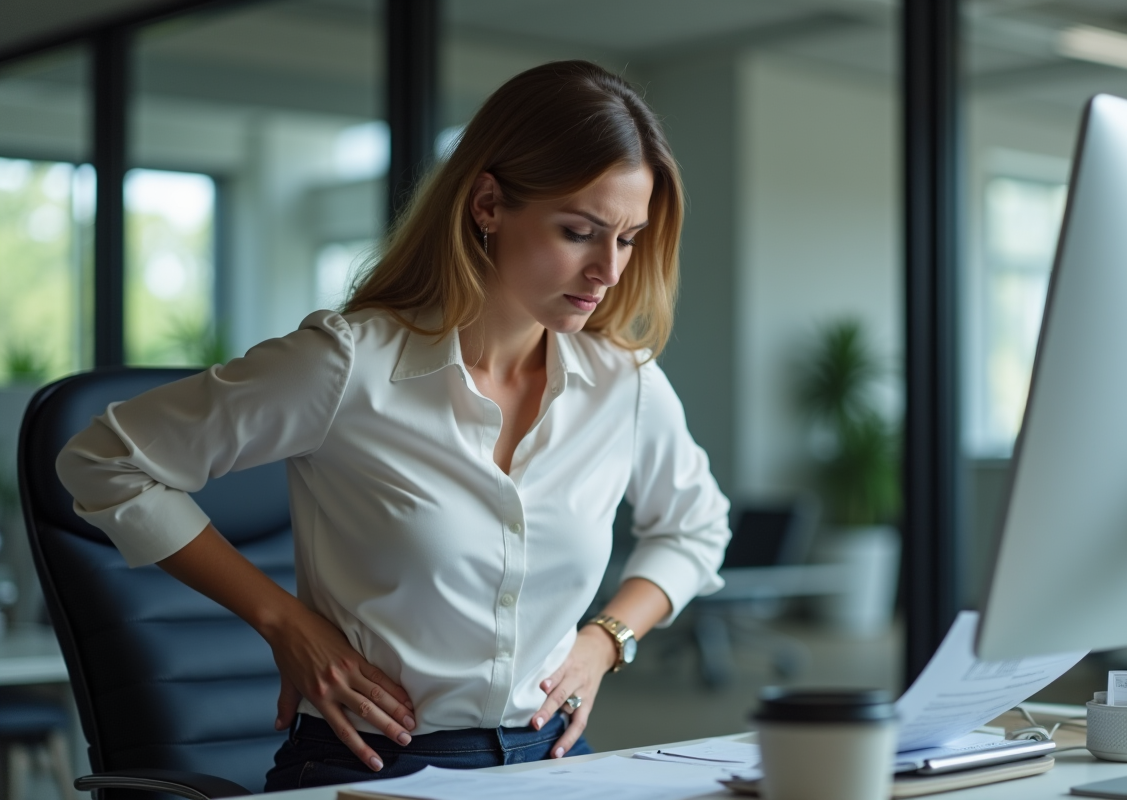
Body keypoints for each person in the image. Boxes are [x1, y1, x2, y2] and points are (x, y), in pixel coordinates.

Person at [56, 60, 731, 790]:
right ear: (487, 204)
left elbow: (695, 526)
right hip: (371, 767)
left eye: (628, 238)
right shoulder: (349, 365)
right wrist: (282, 621)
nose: (608, 269)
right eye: (579, 231)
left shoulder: (621, 386)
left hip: (551, 764)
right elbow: (103, 460)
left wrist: (609, 638)